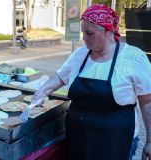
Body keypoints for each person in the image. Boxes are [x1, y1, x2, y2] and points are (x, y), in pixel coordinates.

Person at [32, 4, 151, 160]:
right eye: (83, 32)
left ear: (108, 31)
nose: (84, 38)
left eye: (89, 33)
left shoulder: (134, 58)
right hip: (78, 136)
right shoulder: (80, 54)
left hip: (115, 139)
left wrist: (150, 140)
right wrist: (43, 91)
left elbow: (147, 102)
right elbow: (61, 76)